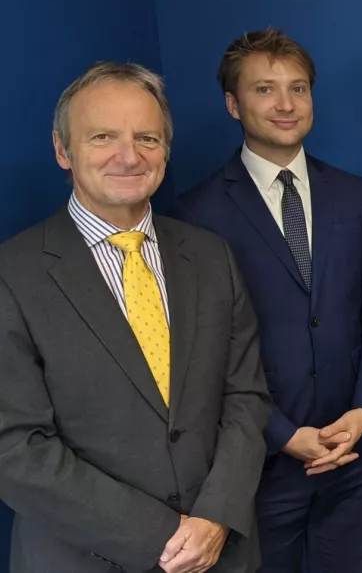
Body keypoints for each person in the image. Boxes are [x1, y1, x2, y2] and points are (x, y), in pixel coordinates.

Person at [0, 62, 272, 572]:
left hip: (222, 551)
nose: (129, 156)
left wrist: (215, 516)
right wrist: (164, 536)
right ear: (64, 150)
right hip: (86, 558)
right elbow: (14, 447)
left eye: (147, 137)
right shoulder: (11, 275)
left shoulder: (210, 255)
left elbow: (246, 396)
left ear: (165, 151)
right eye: (103, 136)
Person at [175, 28, 362, 573]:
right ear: (233, 104)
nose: (285, 104)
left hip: (353, 453)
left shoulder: (353, 194)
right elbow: (199, 349)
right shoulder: (195, 213)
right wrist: (279, 433)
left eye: (298, 88)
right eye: (264, 89)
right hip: (257, 460)